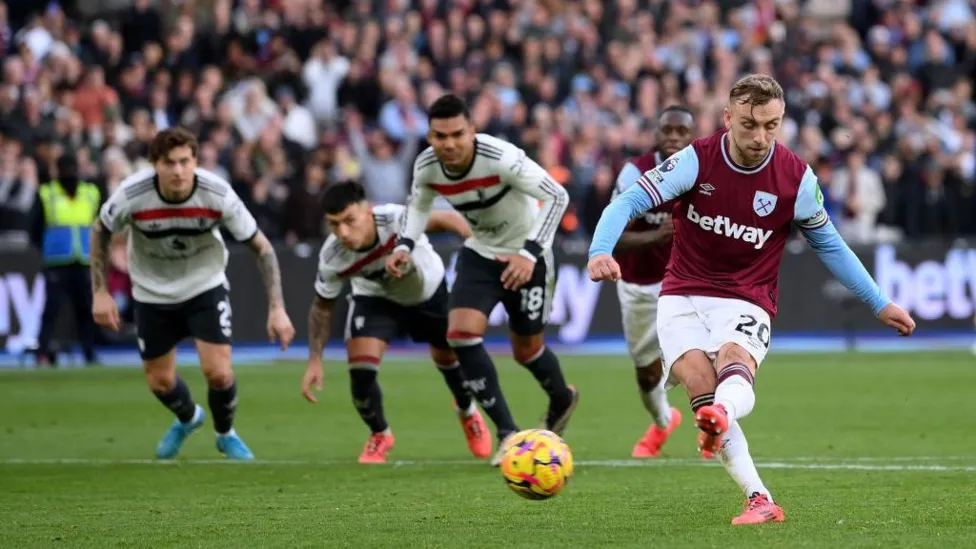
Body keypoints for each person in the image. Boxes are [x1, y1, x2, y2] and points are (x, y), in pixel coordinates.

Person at [587, 74, 915, 525]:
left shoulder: (795, 179)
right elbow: (625, 203)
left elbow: (831, 245)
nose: (761, 137)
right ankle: (759, 498)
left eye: (771, 125)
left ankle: (722, 414)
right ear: (728, 119)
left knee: (732, 364)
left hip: (746, 297)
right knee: (702, 391)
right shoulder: (695, 160)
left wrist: (879, 302)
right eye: (749, 125)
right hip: (680, 294)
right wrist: (600, 250)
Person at [386, 94, 578, 466]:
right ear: (429, 137)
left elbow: (558, 196)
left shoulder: (501, 157)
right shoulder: (426, 166)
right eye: (440, 136)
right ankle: (508, 433)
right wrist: (404, 245)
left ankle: (562, 398)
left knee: (526, 350)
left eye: (458, 133)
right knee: (459, 334)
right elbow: (418, 205)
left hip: (527, 252)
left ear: (472, 130)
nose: (450, 144)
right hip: (481, 251)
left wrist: (529, 253)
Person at [90, 127, 295, 461]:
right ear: (155, 164)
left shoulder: (217, 193)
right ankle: (189, 418)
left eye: (185, 161)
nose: (178, 170)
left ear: (196, 161)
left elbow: (263, 248)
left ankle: (225, 433)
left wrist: (277, 308)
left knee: (219, 372)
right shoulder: (132, 194)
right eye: (169, 163)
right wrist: (100, 291)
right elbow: (100, 231)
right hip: (151, 293)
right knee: (159, 382)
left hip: (204, 286)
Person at [300, 181, 493, 464]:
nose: (343, 232)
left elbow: (448, 219)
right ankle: (380, 434)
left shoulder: (397, 219)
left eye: (349, 221)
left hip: (427, 291)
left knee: (451, 363)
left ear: (368, 211)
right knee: (360, 370)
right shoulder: (332, 257)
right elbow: (321, 307)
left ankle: (467, 412)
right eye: (334, 224)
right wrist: (315, 359)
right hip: (377, 299)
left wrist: (474, 245)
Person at [612, 106, 695, 458]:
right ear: (656, 134)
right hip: (638, 284)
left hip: (687, 282)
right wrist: (656, 238)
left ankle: (716, 429)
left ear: (693, 137)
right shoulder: (635, 172)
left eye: (682, 131)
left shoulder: (701, 169)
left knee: (704, 360)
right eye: (667, 130)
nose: (674, 137)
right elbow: (613, 235)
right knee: (648, 375)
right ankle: (664, 421)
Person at [31, 154, 102, 366]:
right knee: (51, 310)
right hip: (57, 261)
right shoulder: (47, 193)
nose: (70, 173)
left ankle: (89, 353)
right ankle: (42, 352)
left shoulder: (91, 193)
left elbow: (100, 225)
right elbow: (35, 227)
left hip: (83, 260)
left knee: (86, 310)